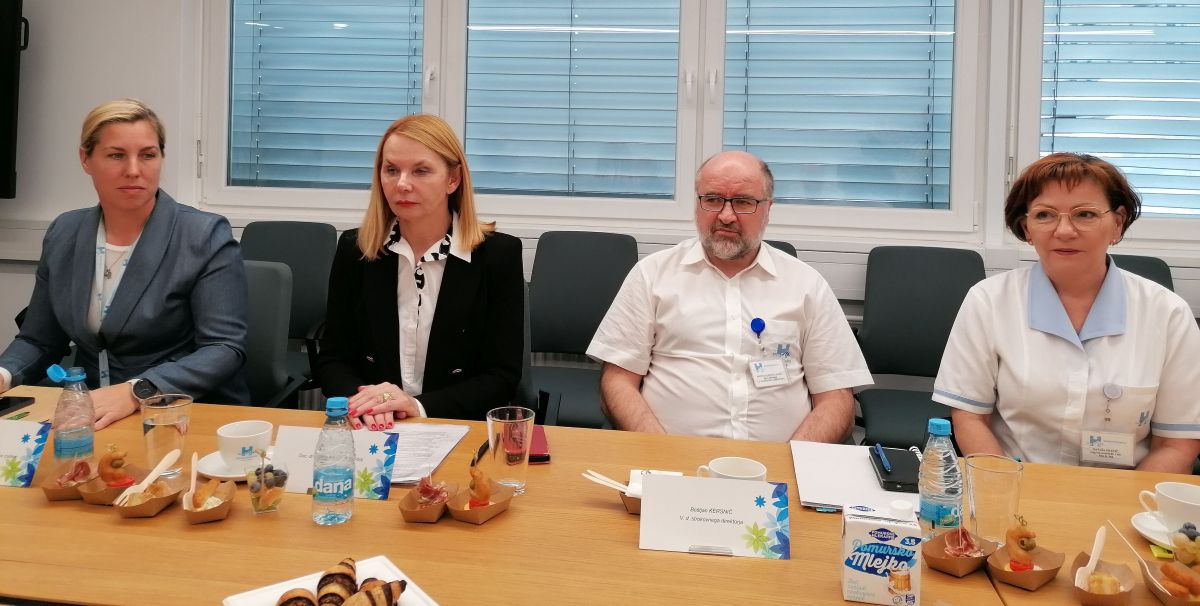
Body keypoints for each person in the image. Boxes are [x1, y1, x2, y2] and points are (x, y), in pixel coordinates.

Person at [934, 152, 1200, 473]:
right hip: (1016, 483)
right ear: (1027, 228)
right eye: (1044, 215)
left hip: (1125, 490)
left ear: (1117, 224)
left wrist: (1125, 502)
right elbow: (970, 418)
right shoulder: (989, 301)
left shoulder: (1168, 314)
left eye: (1085, 214)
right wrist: (1007, 491)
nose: (1063, 230)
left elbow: (1177, 443)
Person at [586, 151, 872, 442]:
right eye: (712, 199)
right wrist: (661, 451)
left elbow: (837, 398)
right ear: (697, 204)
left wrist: (789, 461)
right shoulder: (652, 275)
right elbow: (618, 380)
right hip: (669, 459)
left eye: (743, 202)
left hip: (779, 465)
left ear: (768, 209)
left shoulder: (807, 284)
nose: (726, 216)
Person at [0, 98, 249, 428]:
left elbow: (223, 348)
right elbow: (39, 339)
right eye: (116, 155)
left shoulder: (203, 235)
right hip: (91, 411)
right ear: (86, 159)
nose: (133, 170)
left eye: (148, 155)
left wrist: (137, 391)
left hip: (180, 411)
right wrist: (4, 374)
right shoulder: (64, 233)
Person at [315, 113, 523, 430]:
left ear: (453, 179)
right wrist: (368, 403)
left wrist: (416, 406)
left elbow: (501, 377)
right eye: (391, 170)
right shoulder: (356, 249)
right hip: (373, 425)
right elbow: (333, 360)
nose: (402, 184)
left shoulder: (497, 256)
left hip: (455, 425)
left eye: (421, 171)